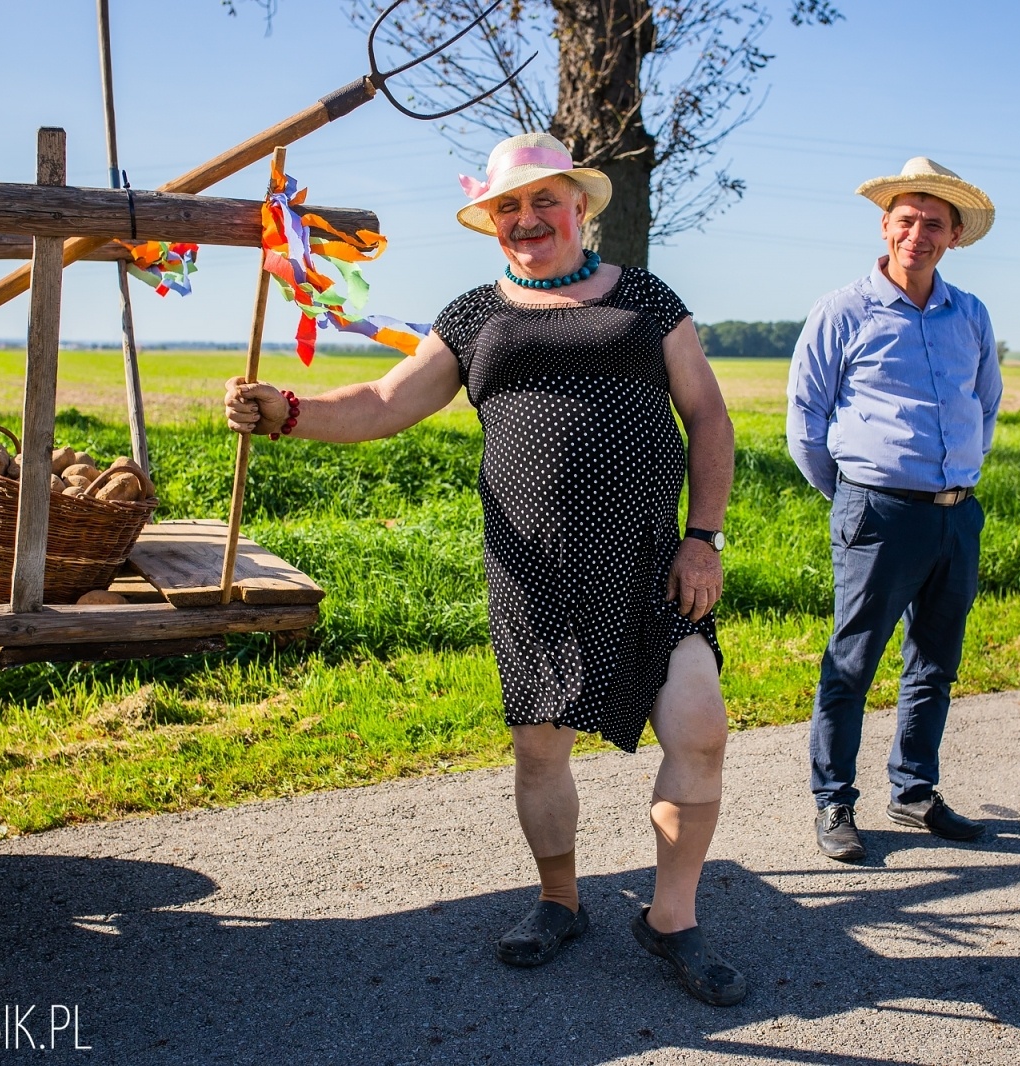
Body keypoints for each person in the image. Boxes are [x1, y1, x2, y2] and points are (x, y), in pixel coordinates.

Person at [225, 133, 746, 1006]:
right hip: (535, 569)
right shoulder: (473, 316)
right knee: (540, 748)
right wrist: (288, 410)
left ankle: (672, 920)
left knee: (699, 728)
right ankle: (559, 899)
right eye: (510, 206)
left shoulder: (648, 301)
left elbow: (711, 418)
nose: (528, 218)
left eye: (546, 201)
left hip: (656, 563)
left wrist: (705, 537)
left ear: (579, 209)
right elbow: (385, 402)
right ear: (493, 223)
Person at [785, 157, 1002, 863]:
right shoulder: (843, 310)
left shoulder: (969, 314)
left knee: (935, 663)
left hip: (955, 514)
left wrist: (956, 479)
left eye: (932, 222)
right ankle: (833, 801)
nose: (918, 232)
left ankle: (913, 790)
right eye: (906, 219)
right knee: (852, 663)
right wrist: (855, 496)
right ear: (885, 226)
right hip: (877, 513)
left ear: (954, 235)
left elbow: (985, 405)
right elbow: (805, 421)